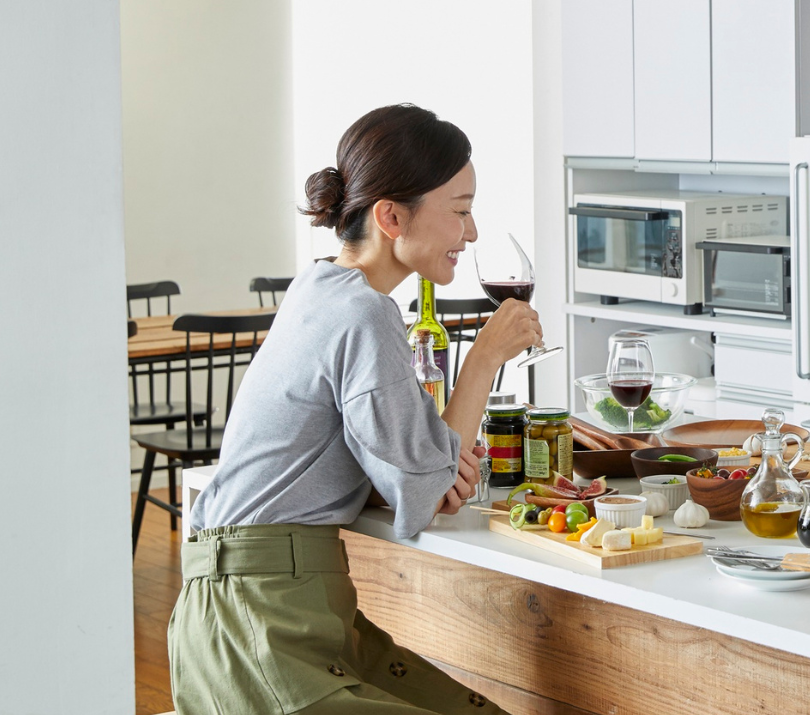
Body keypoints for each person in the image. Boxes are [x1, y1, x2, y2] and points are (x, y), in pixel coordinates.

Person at [172, 104, 541, 715]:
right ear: (392, 216)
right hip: (260, 621)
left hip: (256, 605)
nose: (471, 233)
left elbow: (390, 470)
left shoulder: (318, 286)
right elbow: (422, 495)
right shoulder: (364, 313)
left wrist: (412, 473)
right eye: (460, 210)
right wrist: (483, 362)